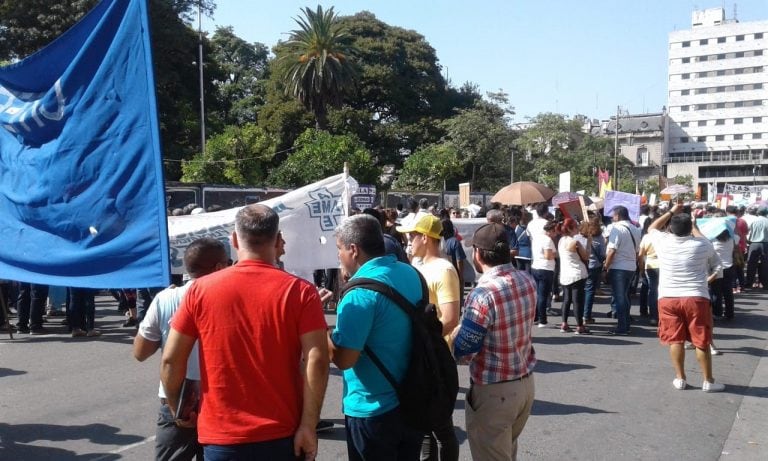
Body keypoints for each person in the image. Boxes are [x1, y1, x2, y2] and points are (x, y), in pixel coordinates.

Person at [161, 204, 329, 460]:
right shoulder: (301, 292)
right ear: (277, 240)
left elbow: (171, 359)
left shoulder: (200, 290)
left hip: (222, 435)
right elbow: (317, 359)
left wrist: (177, 407)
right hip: (282, 433)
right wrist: (309, 425)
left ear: (234, 240)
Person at [329, 214, 424, 460]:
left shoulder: (359, 295)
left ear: (353, 250)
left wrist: (321, 330)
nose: (338, 256)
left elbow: (344, 359)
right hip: (413, 398)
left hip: (372, 409)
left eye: (339, 249)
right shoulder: (410, 273)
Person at [134, 238, 228, 461]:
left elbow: (140, 352)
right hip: (218, 400)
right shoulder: (231, 299)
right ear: (219, 267)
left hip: (176, 398)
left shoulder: (166, 298)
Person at [451, 223, 537, 461]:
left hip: (494, 390)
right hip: (524, 383)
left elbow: (463, 351)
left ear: (477, 254)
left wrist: (454, 334)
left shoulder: (483, 294)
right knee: (506, 451)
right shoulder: (526, 280)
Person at [397, 214, 460, 461]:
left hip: (434, 357)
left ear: (425, 238)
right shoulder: (416, 266)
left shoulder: (444, 269)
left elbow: (451, 318)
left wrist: (427, 343)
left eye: (412, 236)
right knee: (423, 426)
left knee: (441, 426)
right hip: (418, 355)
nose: (409, 241)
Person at [649, 204, 725, 392]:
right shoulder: (702, 244)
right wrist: (695, 227)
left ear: (671, 228)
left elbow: (652, 227)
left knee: (675, 340)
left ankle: (680, 378)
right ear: (690, 227)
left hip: (668, 297)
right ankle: (708, 381)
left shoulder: (663, 241)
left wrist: (672, 210)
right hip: (696, 297)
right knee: (701, 340)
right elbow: (709, 250)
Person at [604, 206, 641, 335]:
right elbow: (637, 251)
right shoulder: (636, 229)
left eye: (613, 216)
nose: (612, 218)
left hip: (619, 267)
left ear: (618, 216)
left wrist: (606, 267)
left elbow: (611, 251)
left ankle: (622, 327)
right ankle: (625, 324)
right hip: (631, 267)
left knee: (620, 297)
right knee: (624, 296)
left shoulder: (616, 229)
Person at [557, 218, 591, 334]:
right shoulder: (575, 242)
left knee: (566, 300)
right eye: (576, 226)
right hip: (577, 273)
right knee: (577, 301)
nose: (577, 228)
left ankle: (564, 323)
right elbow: (586, 256)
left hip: (565, 273)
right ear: (571, 228)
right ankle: (580, 326)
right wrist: (589, 243)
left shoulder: (561, 240)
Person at [531, 221, 557, 327]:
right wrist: (555, 254)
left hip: (536, 266)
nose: (556, 234)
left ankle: (536, 317)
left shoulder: (537, 238)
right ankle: (543, 320)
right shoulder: (547, 240)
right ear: (551, 231)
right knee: (543, 295)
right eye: (555, 232)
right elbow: (548, 256)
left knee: (537, 294)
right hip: (545, 269)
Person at [582, 215, 606, 324]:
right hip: (594, 266)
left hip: (583, 265)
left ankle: (580, 313)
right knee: (590, 290)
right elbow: (602, 254)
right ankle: (586, 316)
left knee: (580, 290)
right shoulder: (600, 238)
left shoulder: (582, 235)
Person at [637, 217, 661, 326]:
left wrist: (641, 268)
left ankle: (654, 316)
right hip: (664, 265)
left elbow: (641, 254)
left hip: (651, 265)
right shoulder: (666, 236)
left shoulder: (647, 237)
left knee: (652, 291)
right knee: (661, 291)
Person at [745, 207, 768, 289]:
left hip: (753, 244)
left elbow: (746, 232)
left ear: (758, 213)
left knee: (751, 264)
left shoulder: (753, 221)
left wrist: (747, 241)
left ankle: (749, 283)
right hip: (765, 244)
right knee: (765, 264)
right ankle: (764, 283)